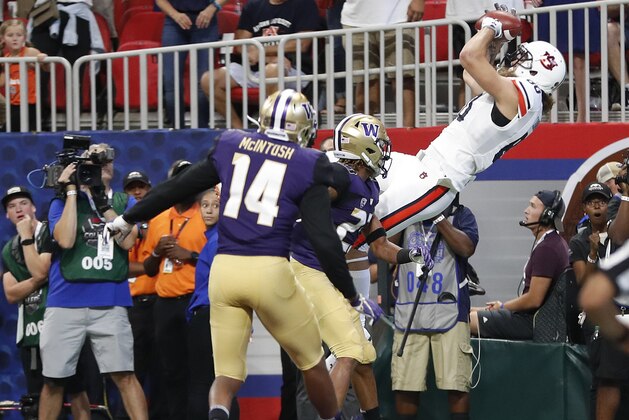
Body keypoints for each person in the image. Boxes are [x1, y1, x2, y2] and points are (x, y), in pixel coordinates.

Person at [108, 89, 383, 420]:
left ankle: (219, 412)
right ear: (305, 128)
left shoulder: (231, 143)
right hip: (270, 271)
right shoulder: (308, 163)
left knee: (225, 377)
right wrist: (351, 295)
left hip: (224, 272)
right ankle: (329, 417)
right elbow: (324, 240)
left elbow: (176, 188)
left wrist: (126, 218)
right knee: (313, 362)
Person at [353, 5, 567, 244]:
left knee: (357, 229)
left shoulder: (524, 94)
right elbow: (471, 73)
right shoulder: (522, 101)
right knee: (349, 172)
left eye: (524, 58)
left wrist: (491, 26)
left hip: (436, 179)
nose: (515, 57)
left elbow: (468, 56)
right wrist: (493, 45)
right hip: (423, 166)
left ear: (537, 71)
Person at [290, 113, 434, 420]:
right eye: (380, 143)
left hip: (327, 276)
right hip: (306, 269)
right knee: (349, 351)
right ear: (365, 147)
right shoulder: (339, 179)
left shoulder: (369, 189)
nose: (385, 150)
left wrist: (412, 255)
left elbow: (379, 245)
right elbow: (309, 197)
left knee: (365, 358)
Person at [38, 142, 147, 420]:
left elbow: (129, 242)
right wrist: (73, 191)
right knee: (53, 381)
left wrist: (102, 202)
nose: (102, 167)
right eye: (94, 164)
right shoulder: (60, 202)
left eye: (106, 161)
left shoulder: (124, 202)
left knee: (124, 375)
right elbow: (65, 239)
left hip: (110, 302)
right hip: (65, 303)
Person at [1, 186, 91, 419]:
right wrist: (38, 278)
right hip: (30, 333)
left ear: (33, 207)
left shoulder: (51, 231)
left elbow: (41, 272)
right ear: (6, 216)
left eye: (22, 203)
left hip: (63, 325)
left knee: (76, 388)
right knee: (38, 395)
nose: (18, 209)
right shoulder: (8, 250)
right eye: (11, 206)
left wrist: (33, 272)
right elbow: (11, 294)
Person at [391, 197, 478, 420]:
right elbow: (384, 245)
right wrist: (409, 209)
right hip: (409, 311)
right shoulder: (407, 213)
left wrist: (439, 217)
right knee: (405, 384)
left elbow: (466, 248)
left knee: (456, 384)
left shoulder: (461, 214)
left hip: (450, 311)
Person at [140, 159, 207, 420]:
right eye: (181, 178)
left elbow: (219, 261)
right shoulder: (158, 219)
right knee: (169, 371)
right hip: (165, 304)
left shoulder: (206, 213)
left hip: (195, 301)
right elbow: (148, 268)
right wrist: (157, 252)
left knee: (199, 371)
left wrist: (187, 254)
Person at [201, 0, 321, 129]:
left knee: (272, 71)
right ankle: (239, 129)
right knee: (209, 80)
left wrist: (262, 52)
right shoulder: (253, 5)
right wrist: (262, 56)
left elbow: (302, 44)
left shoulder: (305, 4)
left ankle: (270, 128)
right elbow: (241, 42)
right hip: (255, 67)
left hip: (293, 68)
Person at [470, 190, 570, 339]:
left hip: (532, 323)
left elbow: (534, 299)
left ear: (547, 215)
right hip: (532, 319)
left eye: (533, 206)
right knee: (469, 311)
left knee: (463, 320)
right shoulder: (552, 242)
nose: (526, 210)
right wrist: (499, 307)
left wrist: (503, 307)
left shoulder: (548, 248)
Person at [568, 181, 629, 420]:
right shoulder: (581, 241)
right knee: (606, 381)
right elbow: (588, 289)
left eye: (601, 201)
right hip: (607, 317)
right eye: (592, 202)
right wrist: (593, 253)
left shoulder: (616, 235)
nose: (597, 206)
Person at [187, 187, 240, 419]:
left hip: (212, 315)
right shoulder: (215, 240)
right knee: (223, 381)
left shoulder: (220, 240)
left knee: (207, 382)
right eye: (204, 205)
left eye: (215, 205)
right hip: (218, 316)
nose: (208, 210)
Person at [122, 170, 165, 420]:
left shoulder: (161, 219)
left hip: (159, 302)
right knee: (131, 371)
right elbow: (119, 264)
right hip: (133, 305)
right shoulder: (119, 223)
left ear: (150, 190)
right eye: (131, 189)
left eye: (142, 188)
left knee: (163, 370)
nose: (137, 193)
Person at [340, 0, 424, 127]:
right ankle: (364, 137)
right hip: (355, 19)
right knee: (364, 81)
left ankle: (409, 135)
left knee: (403, 79)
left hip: (401, 16)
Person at [155, 0, 226, 128]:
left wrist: (213, 7)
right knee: (171, 83)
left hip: (206, 20)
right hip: (174, 21)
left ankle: (202, 129)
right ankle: (177, 130)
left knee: (204, 81)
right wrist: (175, 15)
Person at [533, 0, 600, 123]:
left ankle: (583, 117)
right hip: (552, 4)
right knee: (549, 60)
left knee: (579, 61)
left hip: (580, 4)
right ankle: (551, 116)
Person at [0, 19, 48, 132]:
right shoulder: (5, 58)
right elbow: (2, 81)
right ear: (3, 39)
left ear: (24, 37)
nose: (15, 38)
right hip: (13, 103)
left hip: (29, 103)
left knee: (8, 131)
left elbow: (46, 68)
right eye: (10, 35)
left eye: (19, 35)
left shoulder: (29, 52)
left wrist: (43, 59)